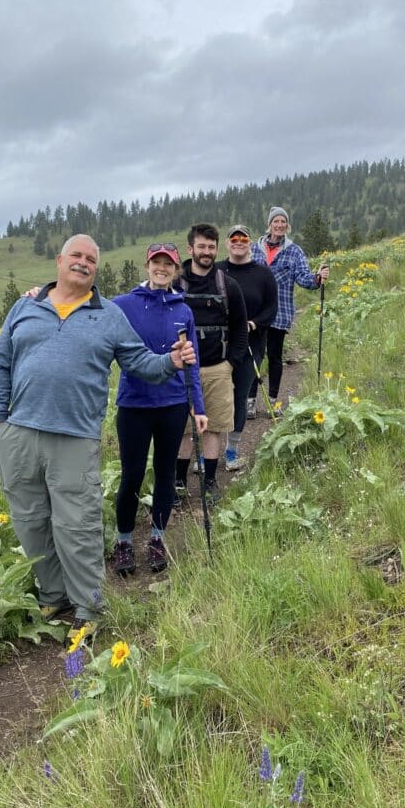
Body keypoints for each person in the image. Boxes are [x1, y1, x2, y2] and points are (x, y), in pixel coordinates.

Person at [0, 234, 196, 641]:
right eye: (76, 256)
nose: (83, 263)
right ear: (59, 260)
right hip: (19, 435)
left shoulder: (110, 315)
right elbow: (0, 362)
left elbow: (141, 364)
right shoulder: (25, 305)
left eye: (91, 259)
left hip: (76, 437)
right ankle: (53, 595)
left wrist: (170, 361)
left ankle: (88, 607)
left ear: (96, 269)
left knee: (77, 525)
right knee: (30, 520)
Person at [110, 243, 207, 575]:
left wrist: (198, 405)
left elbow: (192, 363)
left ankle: (157, 538)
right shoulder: (123, 305)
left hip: (173, 405)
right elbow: (90, 312)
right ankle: (123, 542)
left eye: (169, 264)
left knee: (165, 475)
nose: (162, 268)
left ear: (176, 270)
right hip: (134, 405)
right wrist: (41, 295)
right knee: (132, 477)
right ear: (146, 265)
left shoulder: (184, 311)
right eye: (156, 262)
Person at [175, 223, 248, 502]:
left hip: (218, 367)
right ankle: (179, 482)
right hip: (181, 370)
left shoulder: (227, 285)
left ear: (216, 249)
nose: (207, 252)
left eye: (211, 247)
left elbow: (240, 328)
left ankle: (209, 482)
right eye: (202, 246)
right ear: (191, 248)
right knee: (182, 429)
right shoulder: (175, 284)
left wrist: (231, 363)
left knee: (214, 427)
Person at [251, 206, 329, 412]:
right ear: (269, 225)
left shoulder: (294, 251)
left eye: (283, 222)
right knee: (254, 356)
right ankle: (249, 401)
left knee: (275, 355)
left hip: (280, 311)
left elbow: (304, 278)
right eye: (275, 221)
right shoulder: (254, 248)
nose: (279, 225)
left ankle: (274, 401)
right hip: (255, 313)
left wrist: (317, 278)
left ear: (287, 226)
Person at [217, 224, 278, 467]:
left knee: (239, 396)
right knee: (213, 398)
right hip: (218, 347)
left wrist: (252, 324)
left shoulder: (263, 273)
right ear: (227, 243)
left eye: (243, 238)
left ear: (250, 243)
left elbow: (271, 309)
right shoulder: (217, 270)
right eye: (234, 238)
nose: (239, 241)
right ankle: (207, 452)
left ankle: (231, 450)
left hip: (251, 345)